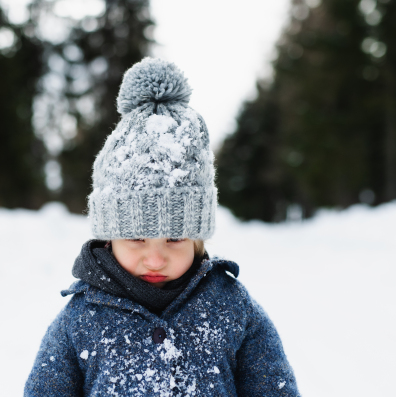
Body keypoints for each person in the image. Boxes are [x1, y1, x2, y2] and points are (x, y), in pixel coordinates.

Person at [24, 58, 300, 396]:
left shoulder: (231, 308)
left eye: (174, 238)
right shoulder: (81, 318)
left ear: (197, 239)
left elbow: (273, 387)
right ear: (109, 238)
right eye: (137, 238)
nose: (155, 259)